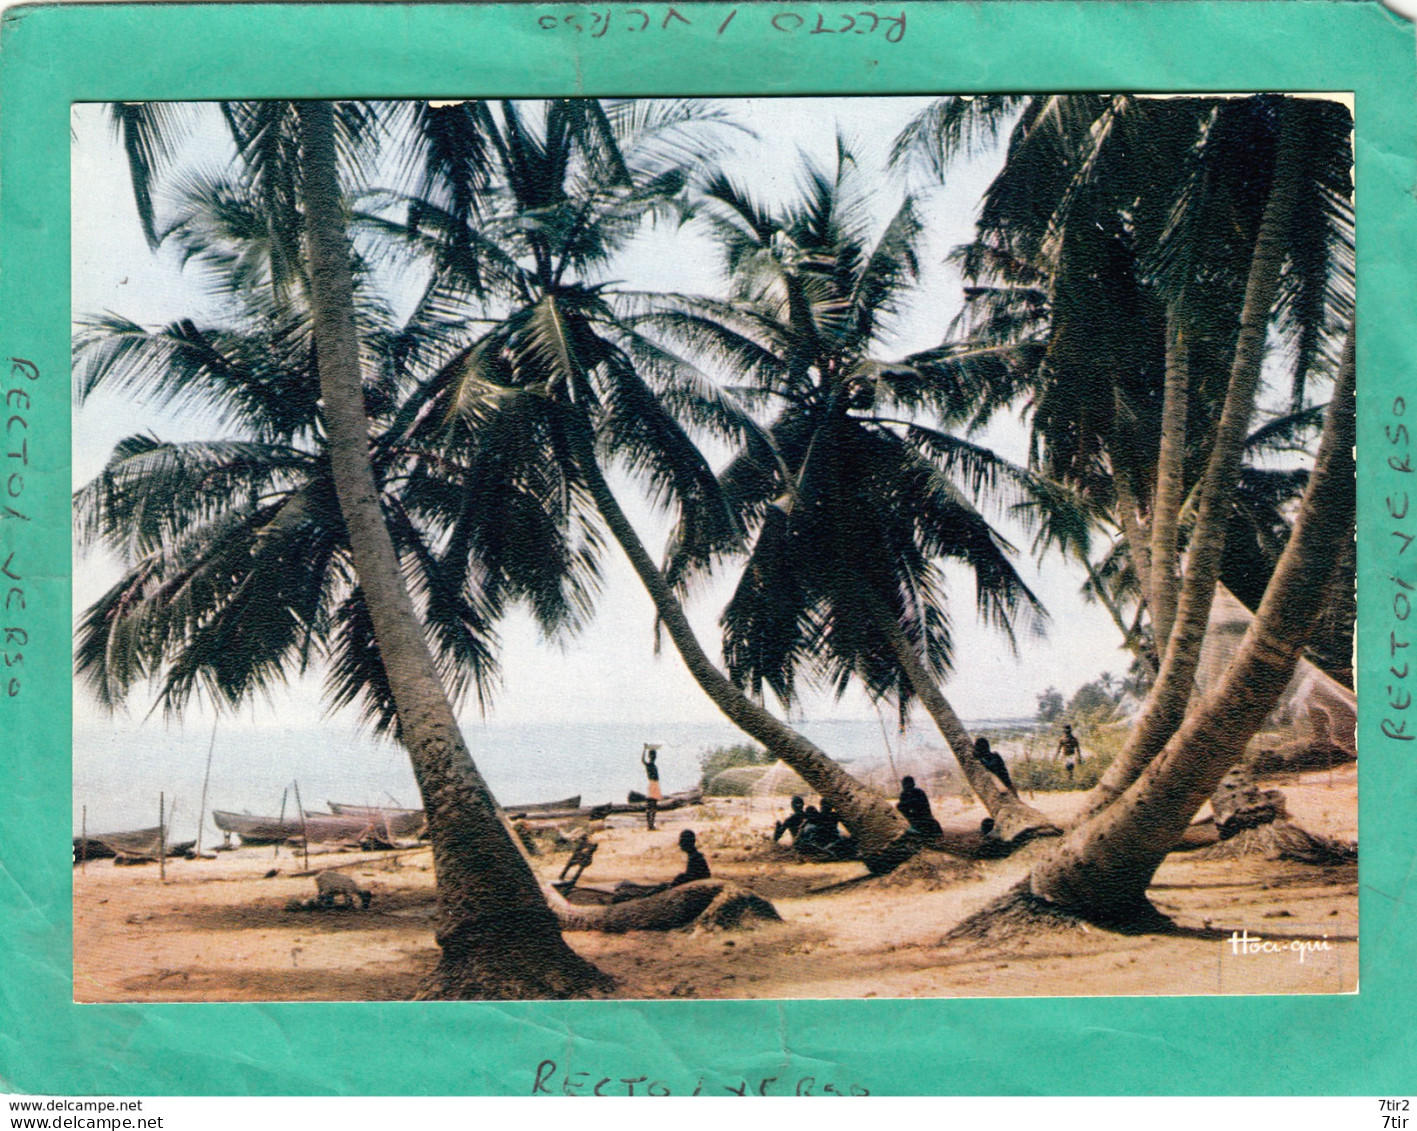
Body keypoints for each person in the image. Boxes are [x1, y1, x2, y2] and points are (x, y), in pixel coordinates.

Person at [641, 743, 662, 830]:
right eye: (653, 755)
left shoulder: (652, 765)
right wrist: (644, 750)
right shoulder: (649, 764)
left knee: (653, 806)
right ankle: (650, 825)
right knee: (651, 806)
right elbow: (643, 760)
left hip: (655, 784)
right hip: (653, 784)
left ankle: (651, 825)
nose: (654, 757)